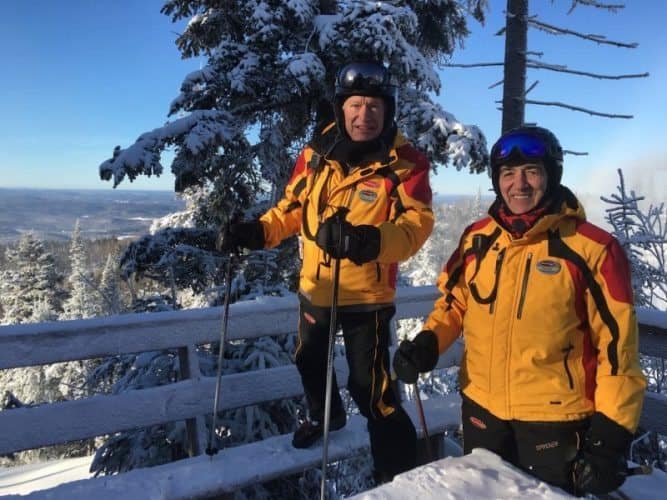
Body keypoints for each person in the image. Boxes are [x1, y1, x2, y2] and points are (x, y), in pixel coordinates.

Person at [392, 125, 646, 496]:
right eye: (508, 174)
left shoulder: (594, 249)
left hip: (554, 423)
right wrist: (430, 341)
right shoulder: (477, 238)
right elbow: (455, 302)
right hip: (482, 411)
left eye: (531, 171)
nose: (519, 184)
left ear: (551, 175)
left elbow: (618, 351)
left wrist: (610, 435)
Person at [218, 60, 434, 481]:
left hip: (366, 298)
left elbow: (415, 227)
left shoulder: (407, 163)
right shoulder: (316, 154)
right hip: (315, 287)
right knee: (309, 359)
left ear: (388, 110)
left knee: (369, 387)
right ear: (341, 107)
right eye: (355, 105)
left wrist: (368, 242)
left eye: (374, 106)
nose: (364, 115)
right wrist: (255, 233)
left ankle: (397, 471)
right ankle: (326, 417)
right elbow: (292, 210)